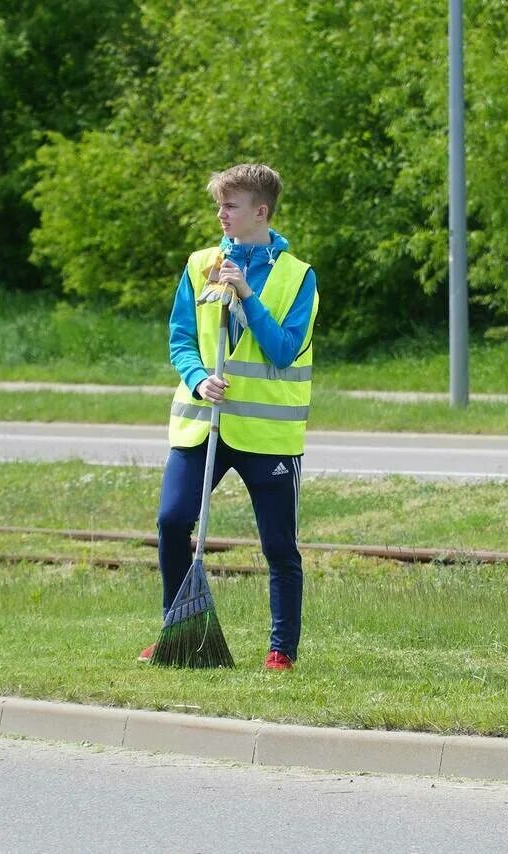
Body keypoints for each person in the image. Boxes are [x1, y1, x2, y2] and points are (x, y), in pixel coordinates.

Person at [139, 163, 319, 672]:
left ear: (260, 212)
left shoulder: (298, 276)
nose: (221, 214)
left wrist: (247, 295)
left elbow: (284, 350)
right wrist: (198, 377)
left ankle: (281, 649)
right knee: (172, 521)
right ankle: (179, 631)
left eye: (231, 205)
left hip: (268, 434)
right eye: (219, 204)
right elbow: (180, 336)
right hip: (203, 422)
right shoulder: (200, 264)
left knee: (279, 546)